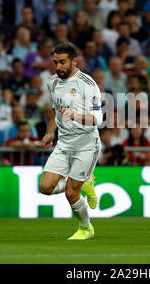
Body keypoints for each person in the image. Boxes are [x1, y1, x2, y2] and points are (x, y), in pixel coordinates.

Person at [38, 43, 102, 240]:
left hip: (86, 144)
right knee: (45, 187)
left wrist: (75, 116)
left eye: (63, 62)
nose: (58, 67)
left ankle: (86, 228)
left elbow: (97, 120)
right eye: (55, 62)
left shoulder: (88, 84)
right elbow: (55, 110)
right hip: (64, 144)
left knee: (70, 193)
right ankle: (85, 182)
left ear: (74, 61)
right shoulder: (52, 83)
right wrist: (50, 133)